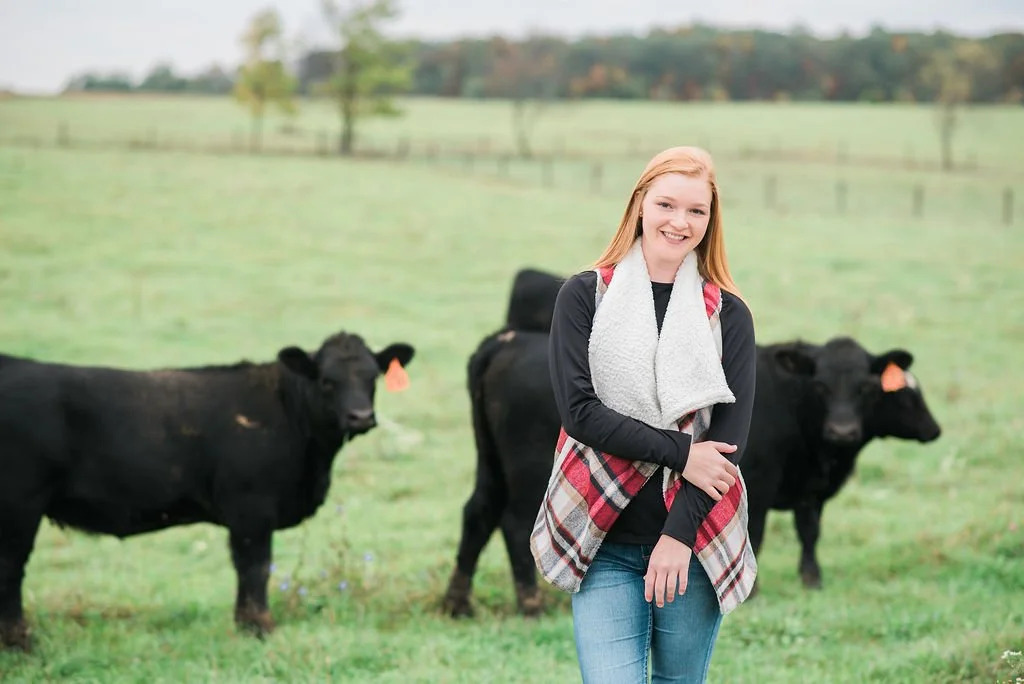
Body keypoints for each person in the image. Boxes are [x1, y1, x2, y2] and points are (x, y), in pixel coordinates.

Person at [529, 146, 758, 683]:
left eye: (696, 211)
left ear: (710, 219)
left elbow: (726, 448)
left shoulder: (729, 314)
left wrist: (677, 539)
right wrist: (681, 452)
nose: (680, 222)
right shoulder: (585, 295)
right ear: (639, 204)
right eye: (667, 205)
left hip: (694, 539)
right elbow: (580, 414)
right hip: (602, 538)